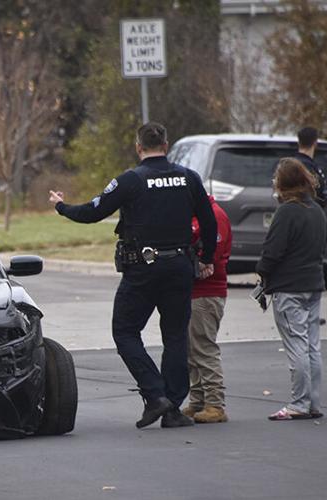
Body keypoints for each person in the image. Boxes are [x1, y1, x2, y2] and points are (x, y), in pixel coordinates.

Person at [49, 122, 218, 429]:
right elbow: (209, 223)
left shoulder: (131, 180)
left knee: (125, 332)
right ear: (165, 145)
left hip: (143, 269)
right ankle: (172, 409)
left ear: (139, 147)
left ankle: (155, 395)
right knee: (175, 336)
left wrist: (61, 206)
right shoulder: (189, 178)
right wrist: (206, 259)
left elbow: (92, 212)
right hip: (180, 266)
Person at [258, 158, 327, 421]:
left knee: (296, 344)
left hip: (290, 288)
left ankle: (299, 403)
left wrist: (262, 270)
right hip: (313, 284)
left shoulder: (287, 212)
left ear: (282, 183)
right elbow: (323, 242)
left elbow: (273, 251)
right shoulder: (317, 210)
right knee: (312, 346)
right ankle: (313, 402)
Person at [182, 195, 232, 424]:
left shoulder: (214, 216)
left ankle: (215, 404)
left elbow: (211, 257)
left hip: (207, 292)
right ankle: (198, 400)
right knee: (191, 350)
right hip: (192, 292)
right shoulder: (193, 215)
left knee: (203, 347)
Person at [293, 127, 327, 207]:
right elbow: (319, 193)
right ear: (315, 143)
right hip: (310, 211)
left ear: (299, 143)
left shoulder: (289, 166)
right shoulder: (310, 168)